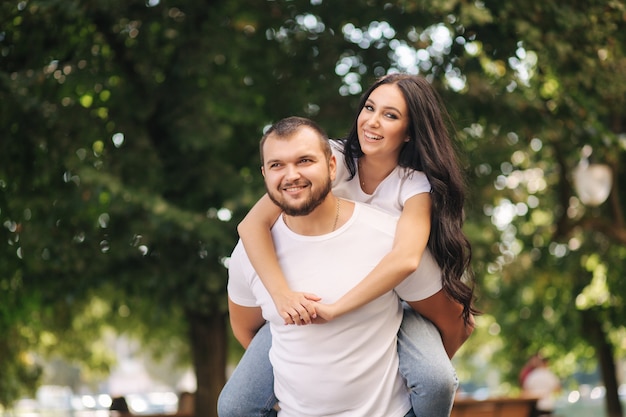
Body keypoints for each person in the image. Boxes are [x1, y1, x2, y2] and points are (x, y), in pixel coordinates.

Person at [218, 74, 477, 416]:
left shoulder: (415, 186)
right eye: (369, 107)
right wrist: (282, 295)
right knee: (235, 405)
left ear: (410, 130)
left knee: (435, 379)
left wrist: (339, 308)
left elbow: (405, 259)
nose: (372, 120)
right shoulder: (333, 159)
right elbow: (251, 224)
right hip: (311, 291)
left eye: (390, 115)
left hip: (395, 298)